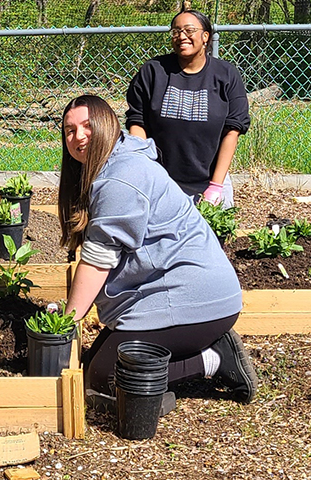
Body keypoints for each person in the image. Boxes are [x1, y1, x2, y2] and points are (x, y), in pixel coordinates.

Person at [58, 94, 257, 403]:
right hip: (175, 291)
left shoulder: (121, 178)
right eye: (69, 130)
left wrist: (67, 323)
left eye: (87, 126)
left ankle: (213, 359)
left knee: (102, 381)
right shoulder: (117, 159)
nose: (78, 136)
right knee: (91, 368)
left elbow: (98, 261)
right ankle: (200, 353)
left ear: (107, 125)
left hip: (193, 297)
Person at [125, 9, 249, 207]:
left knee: (215, 237)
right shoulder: (154, 71)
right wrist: (146, 171)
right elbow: (137, 122)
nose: (182, 36)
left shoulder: (226, 74)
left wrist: (216, 186)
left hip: (209, 182)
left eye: (189, 30)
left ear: (205, 36)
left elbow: (232, 130)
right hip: (161, 181)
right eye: (176, 31)